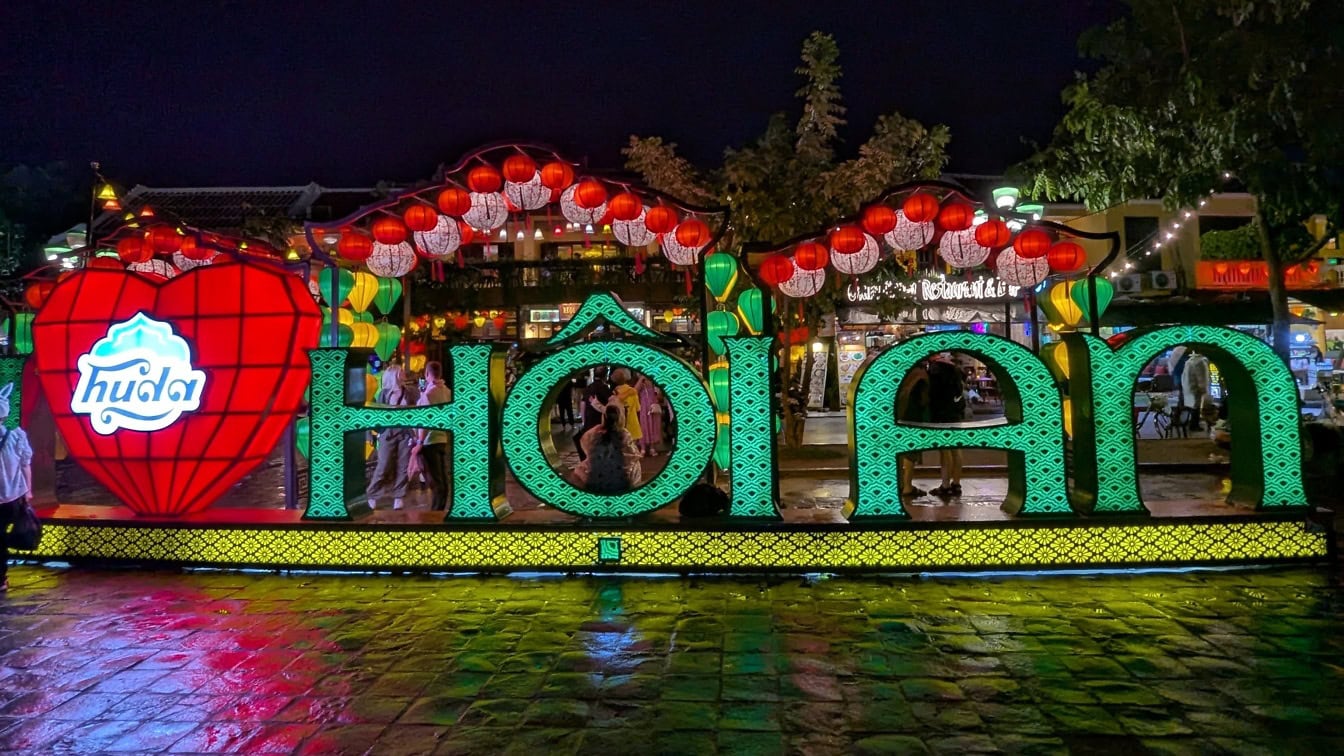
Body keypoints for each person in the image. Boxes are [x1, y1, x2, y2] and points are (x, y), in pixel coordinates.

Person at [366, 365, 419, 511]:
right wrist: (370, 433)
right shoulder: (383, 394)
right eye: (401, 372)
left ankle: (398, 496)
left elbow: (417, 410)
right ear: (394, 375)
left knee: (403, 466)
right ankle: (372, 495)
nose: (404, 374)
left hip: (405, 433)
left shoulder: (410, 392)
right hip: (387, 433)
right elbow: (375, 415)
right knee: (383, 465)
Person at [0, 383, 33, 592]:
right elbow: (25, 464)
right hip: (11, 497)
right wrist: (28, 491)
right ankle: (1, 578)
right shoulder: (16, 435)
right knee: (1, 536)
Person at [574, 405, 643, 493]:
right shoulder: (624, 433)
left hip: (598, 472)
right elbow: (632, 454)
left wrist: (590, 455)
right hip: (621, 475)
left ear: (604, 417)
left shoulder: (596, 432)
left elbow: (584, 440)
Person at [413, 361, 453, 512]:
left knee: (435, 481)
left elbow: (425, 420)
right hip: (442, 439)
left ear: (427, 374)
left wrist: (419, 442)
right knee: (442, 478)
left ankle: (436, 513)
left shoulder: (429, 394)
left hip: (429, 441)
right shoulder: (447, 391)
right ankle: (440, 510)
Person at [926, 352, 966, 498]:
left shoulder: (935, 369)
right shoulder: (953, 367)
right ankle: (956, 483)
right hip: (955, 412)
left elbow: (933, 394)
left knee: (945, 450)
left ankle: (945, 485)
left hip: (941, 413)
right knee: (956, 448)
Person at [896, 359, 931, 498]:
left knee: (898, 452)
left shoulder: (901, 372)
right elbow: (923, 399)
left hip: (898, 414)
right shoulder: (920, 375)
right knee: (911, 453)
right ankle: (907, 486)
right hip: (913, 415)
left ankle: (900, 483)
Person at [574, 368, 613, 462]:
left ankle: (588, 462)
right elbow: (611, 407)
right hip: (600, 421)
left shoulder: (589, 388)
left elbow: (583, 404)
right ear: (606, 376)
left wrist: (584, 422)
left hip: (589, 421)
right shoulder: (605, 389)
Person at [611, 368, 643, 448]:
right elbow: (638, 408)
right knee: (633, 447)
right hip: (633, 422)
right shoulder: (632, 391)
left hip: (621, 423)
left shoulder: (614, 393)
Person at [636, 376, 664, 456]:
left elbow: (660, 394)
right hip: (644, 407)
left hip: (654, 405)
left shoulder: (655, 381)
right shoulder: (642, 381)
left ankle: (652, 447)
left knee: (654, 425)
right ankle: (643, 448)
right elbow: (635, 390)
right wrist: (641, 379)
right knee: (644, 425)